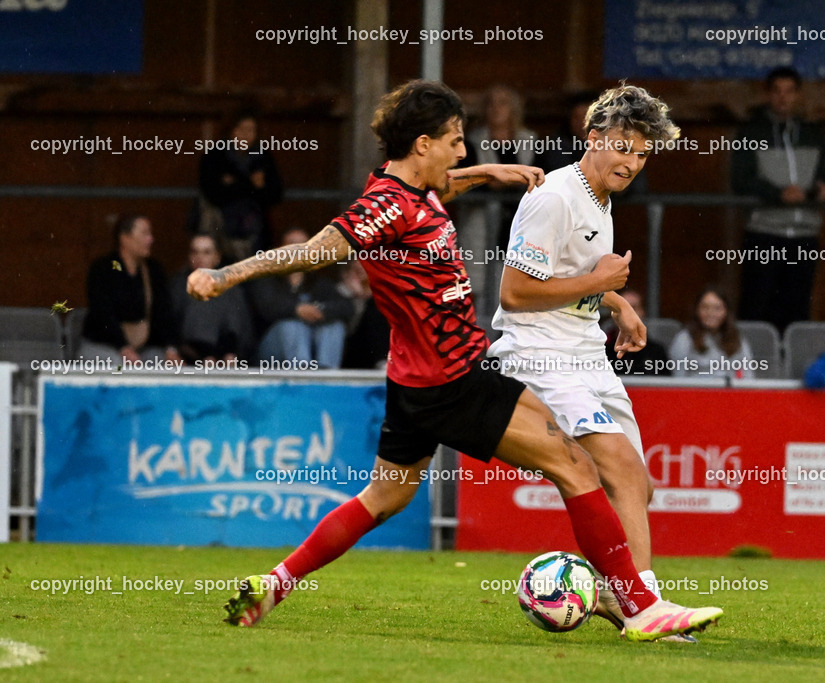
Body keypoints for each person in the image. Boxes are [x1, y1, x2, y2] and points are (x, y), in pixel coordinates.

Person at [187, 79, 722, 641]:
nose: (463, 151)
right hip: (455, 376)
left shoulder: (413, 191)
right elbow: (323, 247)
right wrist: (226, 274)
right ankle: (640, 607)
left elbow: (439, 190)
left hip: (411, 382)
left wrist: (489, 174)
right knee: (576, 466)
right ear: (423, 144)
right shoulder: (384, 207)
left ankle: (277, 581)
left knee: (384, 496)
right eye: (455, 140)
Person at [490, 84, 712, 642]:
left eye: (642, 154)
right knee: (616, 465)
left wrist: (617, 305)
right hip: (542, 353)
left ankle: (622, 596)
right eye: (624, 148)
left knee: (636, 484)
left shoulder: (600, 199)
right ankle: (646, 606)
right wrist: (602, 284)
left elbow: (574, 276)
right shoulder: (553, 197)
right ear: (593, 138)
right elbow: (515, 293)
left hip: (587, 350)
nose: (632, 163)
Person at [731, 67, 825, 332]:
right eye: (777, 91)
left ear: (798, 95)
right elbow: (740, 179)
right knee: (757, 307)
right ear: (768, 94)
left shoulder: (814, 132)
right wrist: (778, 194)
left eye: (789, 91)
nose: (783, 98)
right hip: (764, 231)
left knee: (797, 308)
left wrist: (820, 191)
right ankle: (752, 370)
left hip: (804, 234)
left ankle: (789, 370)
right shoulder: (751, 132)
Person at [458, 85, 539, 323]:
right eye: (491, 103)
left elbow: (539, 179)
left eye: (502, 102)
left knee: (518, 292)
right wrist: (512, 181)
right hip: (482, 227)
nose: (496, 108)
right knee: (482, 293)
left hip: (520, 226)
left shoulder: (530, 140)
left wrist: (500, 182)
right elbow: (474, 182)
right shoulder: (472, 141)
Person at [248, 228, 353, 369]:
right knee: (292, 326)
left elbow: (346, 307)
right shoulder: (265, 279)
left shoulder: (319, 282)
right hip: (270, 354)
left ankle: (327, 375)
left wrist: (321, 311)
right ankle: (302, 377)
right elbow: (267, 307)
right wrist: (296, 309)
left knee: (334, 326)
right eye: (292, 243)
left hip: (312, 348)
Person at [81, 214, 179, 364]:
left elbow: (164, 311)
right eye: (145, 233)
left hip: (143, 348)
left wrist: (171, 349)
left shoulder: (153, 270)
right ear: (125, 238)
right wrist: (123, 348)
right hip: (103, 345)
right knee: (117, 367)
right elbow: (103, 313)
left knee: (163, 365)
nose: (151, 239)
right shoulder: (102, 269)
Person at [198, 108, 284, 262]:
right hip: (221, 231)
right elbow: (213, 193)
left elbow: (275, 193)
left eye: (251, 130)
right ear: (231, 130)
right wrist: (251, 184)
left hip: (255, 234)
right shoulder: (216, 156)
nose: (246, 135)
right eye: (241, 129)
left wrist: (236, 184)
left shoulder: (262, 158)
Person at [169, 233, 253, 364]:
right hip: (188, 360)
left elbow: (242, 333)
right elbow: (172, 329)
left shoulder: (232, 291)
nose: (199, 257)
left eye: (206, 252)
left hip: (228, 361)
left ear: (217, 257)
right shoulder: (178, 287)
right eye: (195, 252)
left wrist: (231, 355)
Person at [669, 286, 757, 379]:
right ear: (697, 310)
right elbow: (678, 380)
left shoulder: (737, 339)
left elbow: (749, 377)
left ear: (726, 311)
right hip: (696, 391)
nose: (711, 313)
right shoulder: (684, 339)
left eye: (717, 308)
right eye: (705, 307)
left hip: (729, 391)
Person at [603, 289, 669, 377]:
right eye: (621, 308)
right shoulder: (601, 352)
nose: (627, 314)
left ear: (643, 312)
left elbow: (666, 386)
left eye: (633, 308)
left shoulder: (657, 352)